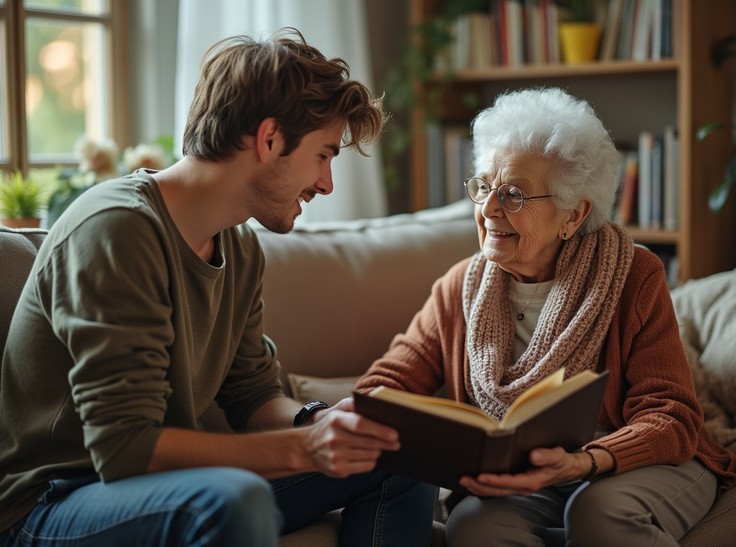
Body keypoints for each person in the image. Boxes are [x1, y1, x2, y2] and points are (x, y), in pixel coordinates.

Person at [0, 29, 436, 546]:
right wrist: (307, 447)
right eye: (324, 155)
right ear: (269, 138)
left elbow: (252, 398)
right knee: (232, 500)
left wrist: (320, 419)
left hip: (174, 489)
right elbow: (126, 452)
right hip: (56, 502)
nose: (327, 184)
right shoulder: (116, 229)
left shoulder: (241, 248)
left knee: (403, 454)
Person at [355, 87, 736, 546]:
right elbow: (387, 383)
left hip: (636, 461)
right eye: (483, 187)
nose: (489, 209)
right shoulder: (460, 287)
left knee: (598, 513)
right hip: (526, 478)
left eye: (514, 194)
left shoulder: (634, 275)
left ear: (572, 216)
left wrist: (585, 462)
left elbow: (671, 415)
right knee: (475, 527)